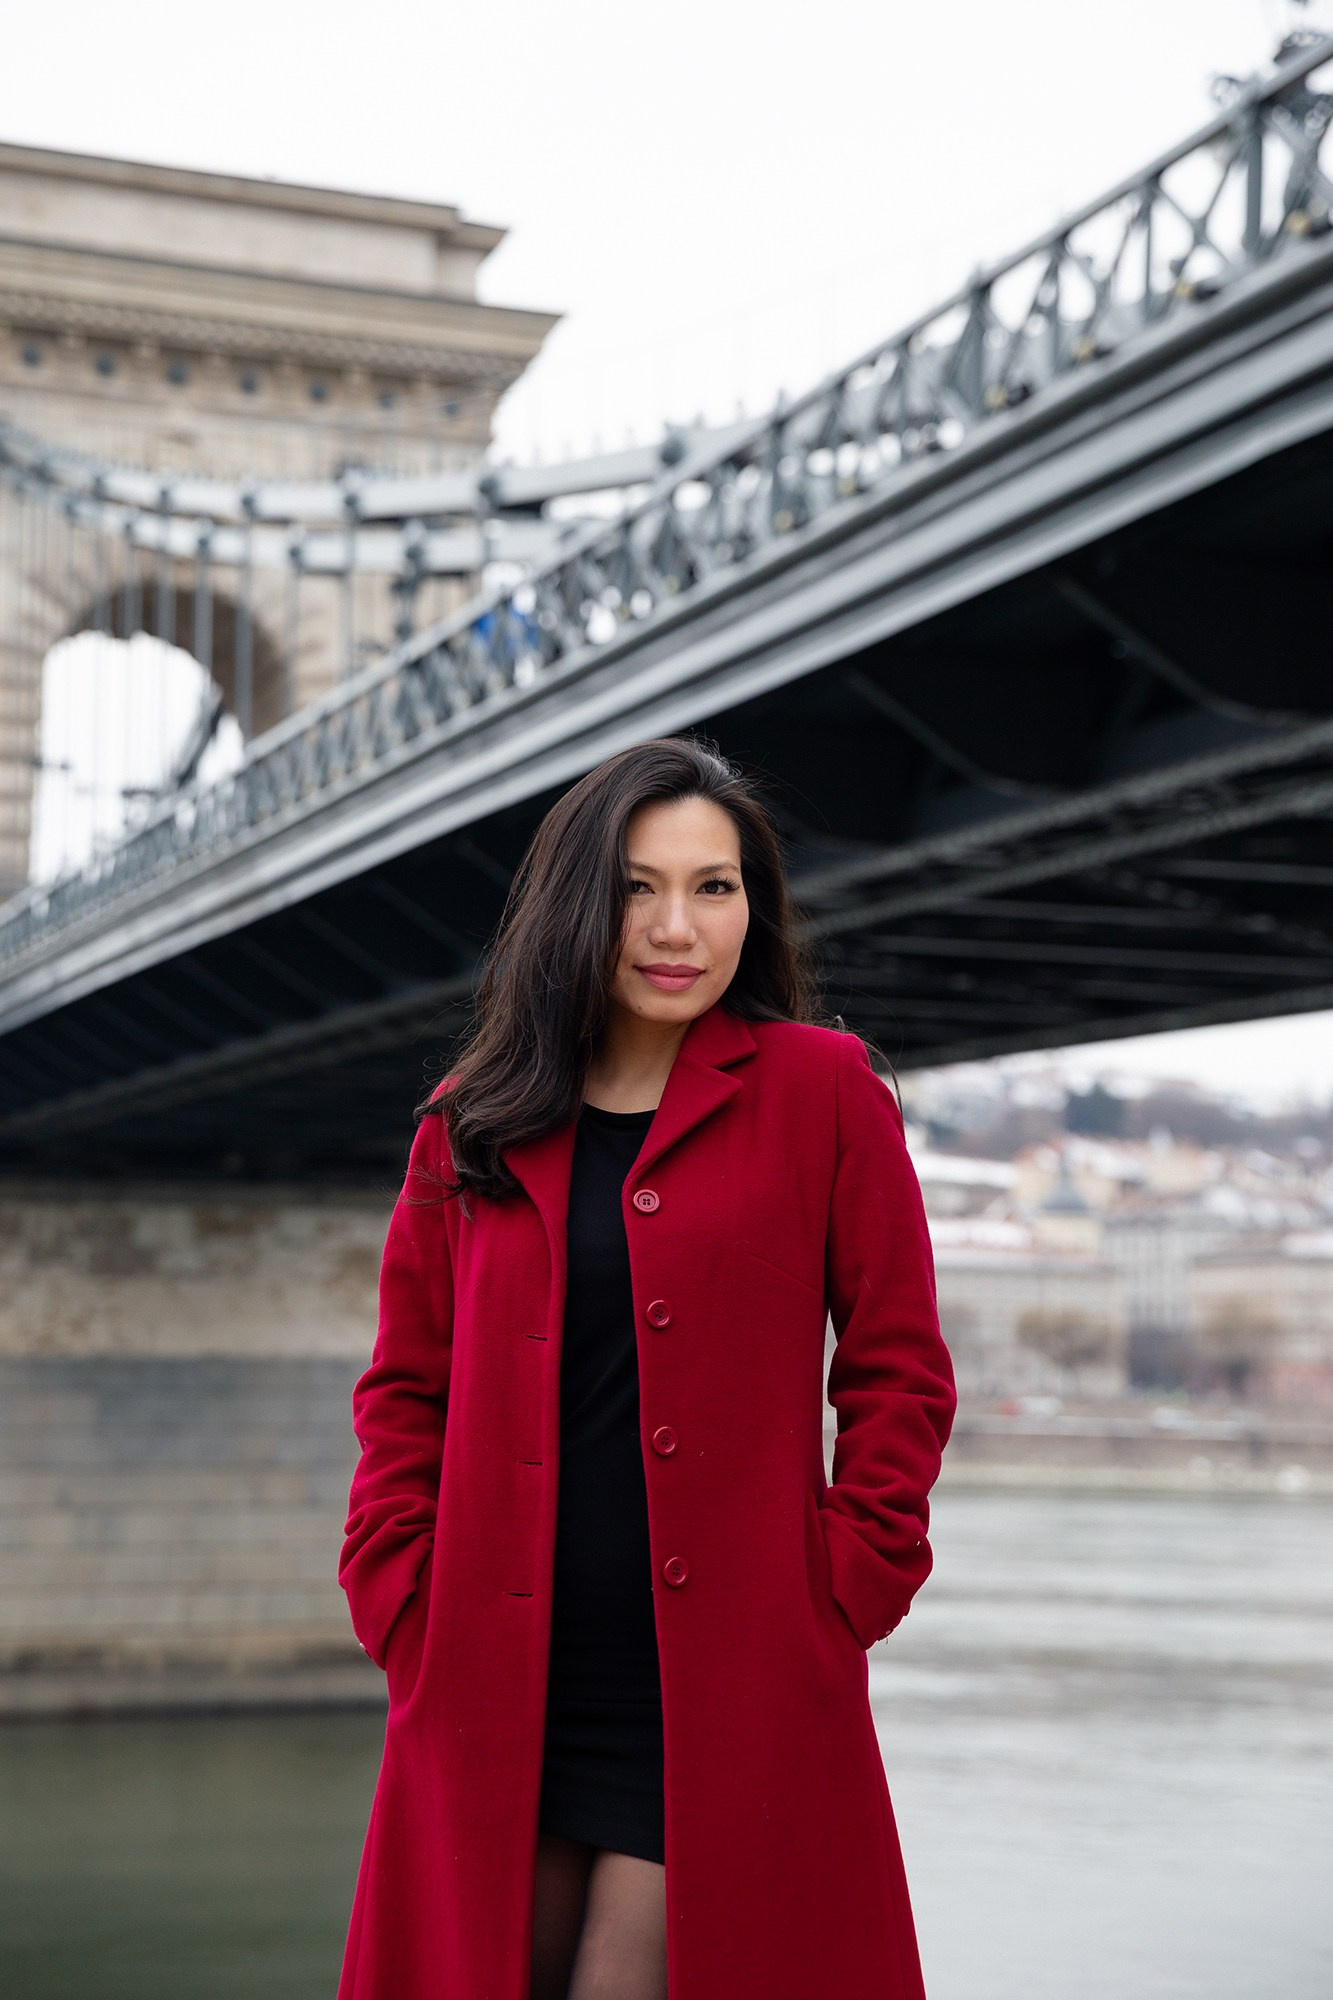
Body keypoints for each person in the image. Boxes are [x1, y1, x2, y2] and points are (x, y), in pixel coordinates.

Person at [336, 737, 955, 2000]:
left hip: (732, 1684)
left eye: (714, 886)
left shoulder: (822, 1091)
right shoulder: (473, 1119)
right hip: (495, 1680)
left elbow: (898, 1367)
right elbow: (407, 1388)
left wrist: (854, 1577)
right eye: (637, 886)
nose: (678, 926)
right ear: (579, 903)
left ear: (751, 904)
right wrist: (399, 1593)